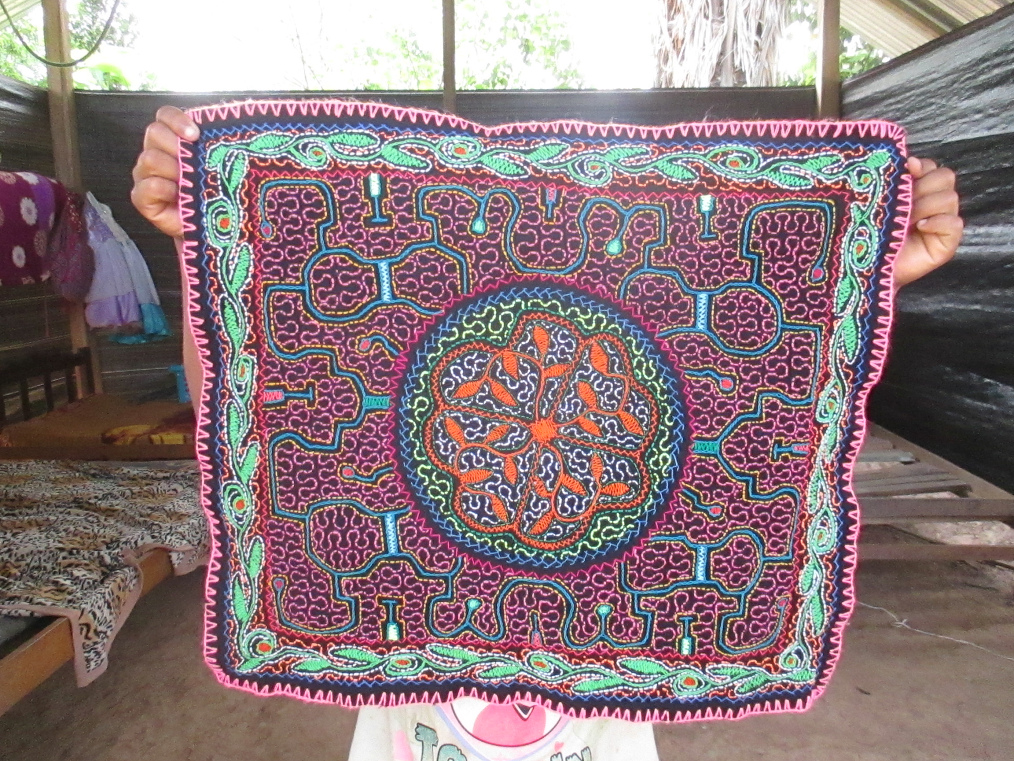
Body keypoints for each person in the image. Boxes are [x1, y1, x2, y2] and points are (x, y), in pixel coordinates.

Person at [131, 105, 963, 761]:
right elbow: (265, 403)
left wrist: (871, 268)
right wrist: (208, 237)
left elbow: (770, 390)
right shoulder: (411, 582)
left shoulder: (621, 584)